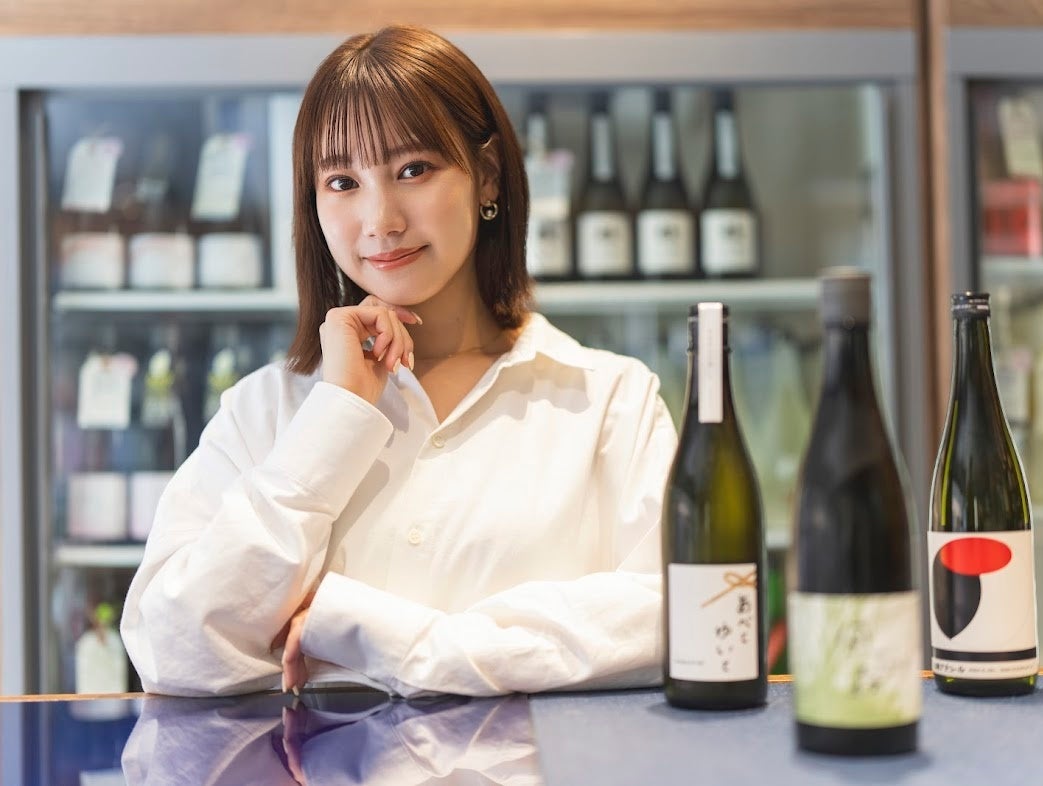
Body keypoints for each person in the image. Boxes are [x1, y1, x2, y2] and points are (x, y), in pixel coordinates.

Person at [119, 25, 678, 698]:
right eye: (342, 181)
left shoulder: (609, 399)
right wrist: (334, 419)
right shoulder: (268, 410)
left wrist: (376, 637)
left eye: (413, 170)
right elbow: (170, 648)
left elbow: (678, 619)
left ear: (487, 176)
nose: (380, 219)